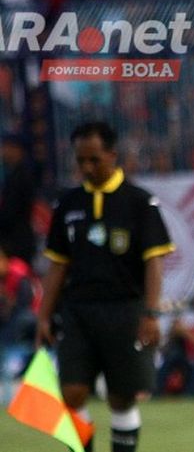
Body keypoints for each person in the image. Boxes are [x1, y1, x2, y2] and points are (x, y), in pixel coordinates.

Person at [35, 122, 175, 452]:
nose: (86, 168)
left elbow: (154, 262)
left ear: (112, 155)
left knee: (122, 397)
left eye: (94, 160)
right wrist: (43, 315)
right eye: (80, 160)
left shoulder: (140, 202)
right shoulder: (67, 203)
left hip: (126, 309)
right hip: (77, 311)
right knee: (72, 393)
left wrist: (151, 313)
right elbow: (58, 265)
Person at [0, 133, 37, 266]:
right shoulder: (15, 174)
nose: (3, 152)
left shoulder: (21, 177)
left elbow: (9, 212)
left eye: (5, 147)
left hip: (16, 243)